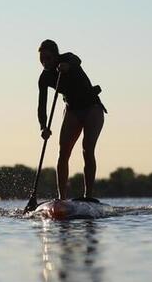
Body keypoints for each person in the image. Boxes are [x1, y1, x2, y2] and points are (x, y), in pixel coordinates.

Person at [37, 39, 107, 202]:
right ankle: (62, 198)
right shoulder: (44, 78)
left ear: (56, 55)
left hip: (92, 108)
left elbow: (77, 60)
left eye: (48, 58)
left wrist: (67, 66)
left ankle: (88, 196)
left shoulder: (68, 58)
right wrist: (43, 127)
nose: (44, 62)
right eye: (42, 59)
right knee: (63, 152)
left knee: (87, 149)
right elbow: (41, 106)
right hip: (72, 110)